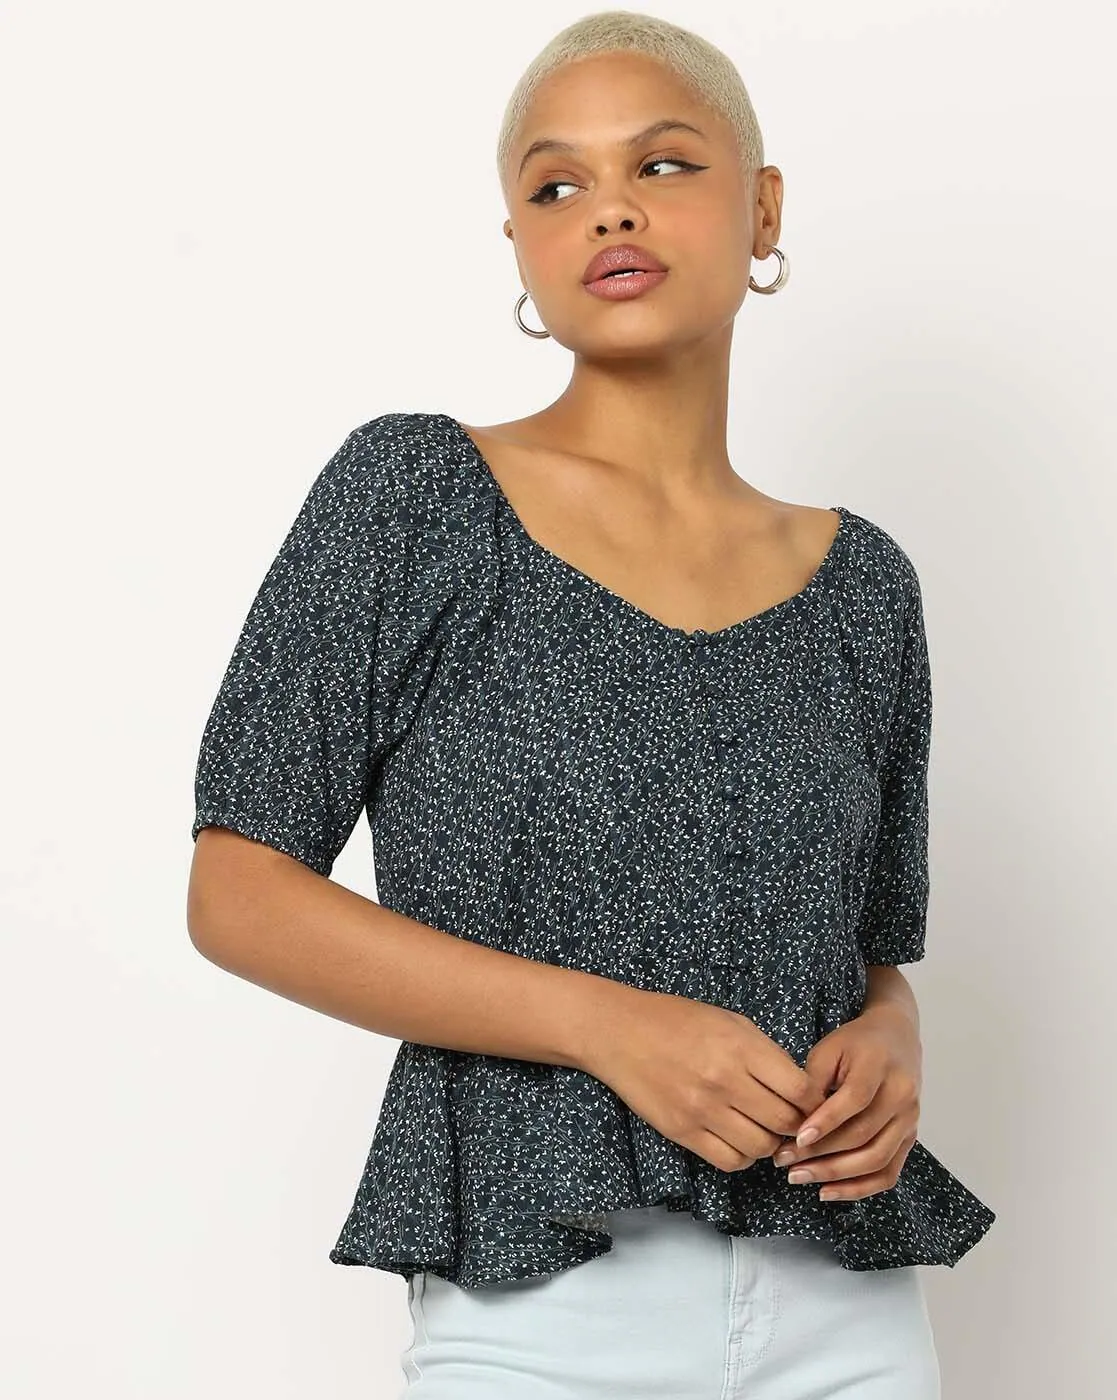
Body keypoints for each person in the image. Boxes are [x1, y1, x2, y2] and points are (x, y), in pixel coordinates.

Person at [186, 10, 996, 1397]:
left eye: (664, 164)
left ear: (764, 208)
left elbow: (868, 956)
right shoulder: (418, 500)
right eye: (556, 185)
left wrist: (893, 1039)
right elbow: (237, 889)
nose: (610, 208)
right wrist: (609, 1026)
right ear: (519, 243)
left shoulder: (864, 585)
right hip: (544, 1304)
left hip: (848, 1303)